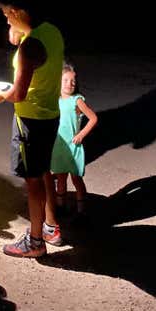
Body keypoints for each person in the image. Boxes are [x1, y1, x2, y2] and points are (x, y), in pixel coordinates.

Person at [0, 0, 65, 258]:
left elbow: (19, 93)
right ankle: (51, 227)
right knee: (43, 171)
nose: (6, 20)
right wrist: (17, 26)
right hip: (49, 114)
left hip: (29, 120)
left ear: (20, 11)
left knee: (33, 181)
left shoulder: (30, 46)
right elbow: (15, 38)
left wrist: (2, 95)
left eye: (8, 14)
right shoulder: (51, 32)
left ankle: (35, 242)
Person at [49, 62, 98, 215]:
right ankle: (61, 207)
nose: (69, 84)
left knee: (76, 179)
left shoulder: (77, 100)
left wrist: (81, 134)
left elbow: (93, 118)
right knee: (61, 178)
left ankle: (81, 210)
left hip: (74, 146)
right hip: (59, 146)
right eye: (65, 80)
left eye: (73, 81)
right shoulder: (54, 100)